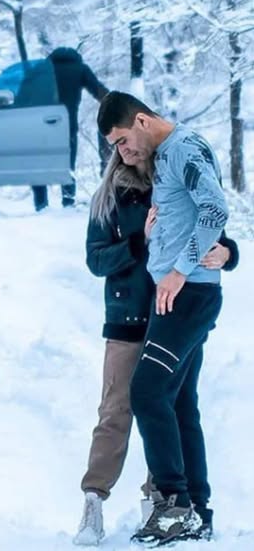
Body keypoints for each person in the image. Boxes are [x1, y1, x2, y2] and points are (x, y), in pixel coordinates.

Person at [74, 141, 238, 546]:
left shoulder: (174, 184)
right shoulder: (109, 196)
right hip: (128, 320)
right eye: (119, 146)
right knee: (117, 411)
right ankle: (94, 502)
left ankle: (164, 503)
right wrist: (137, 243)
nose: (127, 152)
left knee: (174, 406)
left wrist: (228, 253)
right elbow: (95, 260)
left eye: (130, 144)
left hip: (171, 318)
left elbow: (213, 232)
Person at [32, 48, 108, 211]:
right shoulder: (80, 69)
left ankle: (41, 205)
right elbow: (99, 91)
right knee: (67, 165)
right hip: (67, 126)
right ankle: (67, 203)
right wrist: (118, 102)